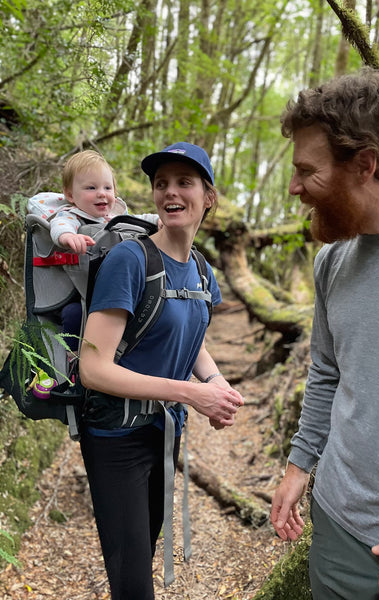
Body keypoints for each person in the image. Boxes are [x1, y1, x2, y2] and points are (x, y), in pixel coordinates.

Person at [270, 67, 379, 600]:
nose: (295, 187)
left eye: (308, 171)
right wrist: (299, 464)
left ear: (364, 165)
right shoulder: (332, 262)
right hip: (337, 527)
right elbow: (327, 371)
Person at [78, 142, 244, 600]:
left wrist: (213, 382)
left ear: (208, 197)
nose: (170, 192)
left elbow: (189, 337)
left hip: (163, 432)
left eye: (184, 183)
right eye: (161, 183)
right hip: (116, 438)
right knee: (133, 583)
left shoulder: (202, 271)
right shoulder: (130, 261)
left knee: (141, 556)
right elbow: (93, 368)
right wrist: (190, 394)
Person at [52, 150, 160, 351]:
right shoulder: (73, 215)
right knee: (73, 315)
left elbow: (142, 219)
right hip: (82, 292)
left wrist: (158, 220)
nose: (102, 193)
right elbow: (59, 226)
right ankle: (71, 360)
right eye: (91, 188)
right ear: (70, 194)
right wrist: (68, 237)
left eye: (107, 187)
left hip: (117, 291)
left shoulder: (115, 216)